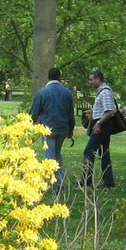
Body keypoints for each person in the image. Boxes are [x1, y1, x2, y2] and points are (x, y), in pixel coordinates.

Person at [29, 67, 75, 195]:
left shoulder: (42, 93)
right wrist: (70, 129)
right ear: (59, 77)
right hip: (62, 128)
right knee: (57, 154)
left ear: (48, 77)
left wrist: (29, 126)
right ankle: (59, 182)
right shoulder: (67, 93)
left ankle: (56, 185)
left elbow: (34, 112)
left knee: (50, 157)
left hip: (48, 128)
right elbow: (70, 113)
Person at [79, 69, 116, 188]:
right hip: (102, 123)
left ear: (98, 79)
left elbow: (110, 111)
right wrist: (92, 112)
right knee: (104, 153)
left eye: (91, 79)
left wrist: (99, 123)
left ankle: (86, 180)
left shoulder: (105, 92)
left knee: (88, 151)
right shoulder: (101, 92)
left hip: (102, 125)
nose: (90, 82)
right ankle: (108, 181)